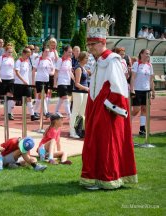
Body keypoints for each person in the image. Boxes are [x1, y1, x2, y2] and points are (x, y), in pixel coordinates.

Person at [80, 13, 137, 190]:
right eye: (88, 44)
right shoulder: (98, 61)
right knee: (95, 144)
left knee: (105, 145)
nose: (90, 48)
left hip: (107, 111)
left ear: (103, 42)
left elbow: (119, 89)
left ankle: (106, 177)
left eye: (93, 44)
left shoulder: (112, 60)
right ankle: (96, 177)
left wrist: (107, 108)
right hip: (97, 108)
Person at [130, 49, 155, 135]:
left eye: (149, 54)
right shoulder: (136, 64)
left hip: (147, 90)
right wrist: (132, 89)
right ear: (141, 54)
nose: (148, 55)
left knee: (144, 109)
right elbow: (132, 77)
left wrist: (153, 91)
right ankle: (127, 124)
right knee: (136, 110)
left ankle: (142, 129)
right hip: (137, 90)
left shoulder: (150, 65)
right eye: (146, 53)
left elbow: (151, 79)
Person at [14, 48, 39, 121]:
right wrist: (23, 80)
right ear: (23, 54)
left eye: (29, 55)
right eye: (27, 55)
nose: (28, 57)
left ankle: (32, 115)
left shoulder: (27, 61)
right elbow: (17, 72)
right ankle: (9, 113)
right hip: (19, 83)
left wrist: (28, 81)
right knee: (15, 99)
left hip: (26, 84)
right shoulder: (18, 61)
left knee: (29, 98)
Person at [69, 52, 89, 139]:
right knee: (75, 112)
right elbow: (76, 83)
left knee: (81, 113)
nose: (87, 60)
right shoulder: (78, 68)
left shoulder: (84, 68)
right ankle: (72, 131)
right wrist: (86, 88)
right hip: (78, 92)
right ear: (81, 59)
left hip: (84, 92)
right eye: (86, 58)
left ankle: (79, 130)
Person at [32, 47, 55, 118]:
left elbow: (53, 68)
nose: (47, 53)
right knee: (42, 96)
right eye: (46, 51)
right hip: (39, 79)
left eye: (48, 52)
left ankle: (34, 112)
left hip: (46, 80)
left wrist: (52, 72)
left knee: (40, 97)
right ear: (42, 52)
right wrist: (33, 81)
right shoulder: (38, 59)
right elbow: (33, 70)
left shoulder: (49, 59)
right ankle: (46, 112)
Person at [0, 43, 15, 119]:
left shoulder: (12, 59)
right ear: (5, 51)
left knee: (10, 95)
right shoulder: (1, 58)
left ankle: (8, 112)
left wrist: (14, 77)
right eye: (9, 52)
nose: (10, 53)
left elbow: (13, 69)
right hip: (2, 79)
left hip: (11, 79)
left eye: (11, 52)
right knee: (2, 96)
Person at [54, 45, 74, 117]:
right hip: (61, 82)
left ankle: (56, 111)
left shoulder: (70, 60)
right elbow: (56, 72)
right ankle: (69, 115)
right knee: (66, 98)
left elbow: (70, 72)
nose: (71, 54)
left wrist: (75, 80)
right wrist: (55, 83)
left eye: (71, 52)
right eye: (69, 52)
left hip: (67, 82)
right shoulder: (60, 60)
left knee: (61, 98)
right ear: (65, 52)